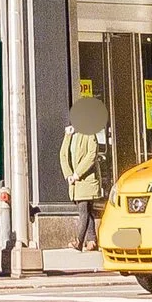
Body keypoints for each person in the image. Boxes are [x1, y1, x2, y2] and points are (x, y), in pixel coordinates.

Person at [60, 96, 113, 251]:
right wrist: (68, 174)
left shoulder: (89, 134)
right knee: (87, 211)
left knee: (83, 210)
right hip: (74, 180)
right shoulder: (70, 135)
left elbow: (91, 155)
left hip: (86, 179)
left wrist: (77, 174)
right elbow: (63, 154)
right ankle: (92, 241)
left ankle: (79, 240)